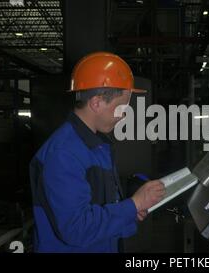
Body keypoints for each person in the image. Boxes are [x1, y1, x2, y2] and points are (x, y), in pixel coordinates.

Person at [29, 52, 165, 253]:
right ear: (96, 102)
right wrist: (133, 205)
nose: (123, 116)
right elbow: (76, 229)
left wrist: (130, 211)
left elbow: (103, 207)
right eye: (121, 108)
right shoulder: (63, 154)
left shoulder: (98, 146)